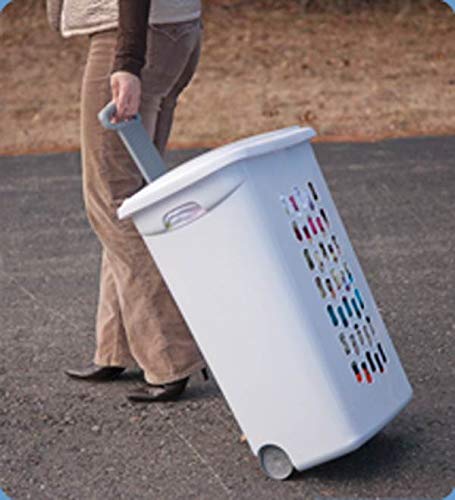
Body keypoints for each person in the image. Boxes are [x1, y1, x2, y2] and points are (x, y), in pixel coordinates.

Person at [46, 0, 207, 402]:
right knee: (131, 200)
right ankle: (116, 346)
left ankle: (173, 354)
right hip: (173, 31)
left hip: (132, 38)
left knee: (110, 198)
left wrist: (128, 61)